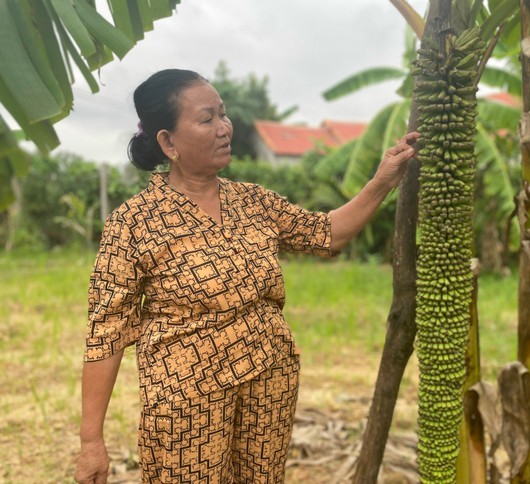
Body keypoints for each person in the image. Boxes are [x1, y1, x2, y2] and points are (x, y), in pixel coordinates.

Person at [74, 68, 419, 484]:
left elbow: (326, 235)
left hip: (270, 381)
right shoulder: (133, 223)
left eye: (224, 114)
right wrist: (91, 440)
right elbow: (105, 333)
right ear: (168, 142)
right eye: (207, 119)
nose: (224, 128)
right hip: (187, 402)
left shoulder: (253, 201)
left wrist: (382, 182)